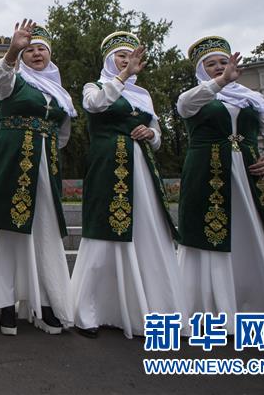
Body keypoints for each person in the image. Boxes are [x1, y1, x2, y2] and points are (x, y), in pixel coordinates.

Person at [176, 37, 264, 339]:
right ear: (202, 71)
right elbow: (185, 108)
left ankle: (255, 310)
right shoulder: (195, 96)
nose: (219, 67)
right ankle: (208, 314)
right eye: (211, 64)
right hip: (207, 175)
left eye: (224, 62)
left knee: (253, 235)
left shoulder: (252, 98)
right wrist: (219, 83)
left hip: (248, 176)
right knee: (207, 236)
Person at [69, 31, 182, 339]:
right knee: (104, 231)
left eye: (131, 56)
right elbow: (95, 105)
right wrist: (121, 76)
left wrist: (151, 134)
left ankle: (146, 310)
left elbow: (157, 134)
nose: (127, 60)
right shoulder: (96, 86)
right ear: (110, 60)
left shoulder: (143, 95)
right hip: (108, 166)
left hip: (141, 169)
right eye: (120, 56)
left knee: (147, 231)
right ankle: (90, 311)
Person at [0, 21, 77, 336]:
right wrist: (12, 51)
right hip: (11, 162)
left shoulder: (60, 94)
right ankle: (4, 302)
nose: (35, 54)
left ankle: (45, 302)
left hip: (45, 167)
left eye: (41, 49)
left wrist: (43, 150)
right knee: (6, 230)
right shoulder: (14, 80)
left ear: (50, 55)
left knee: (44, 231)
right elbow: (0, 78)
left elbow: (62, 135)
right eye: (30, 49)